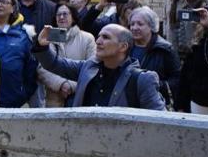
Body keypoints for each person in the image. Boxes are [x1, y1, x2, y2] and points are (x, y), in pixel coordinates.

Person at [32, 23, 166, 110]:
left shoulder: (142, 80)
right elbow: (55, 64)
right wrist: (43, 47)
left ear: (123, 46)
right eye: (99, 36)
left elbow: (160, 121)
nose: (98, 41)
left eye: (106, 37)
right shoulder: (88, 67)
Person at [36, 4, 96, 107]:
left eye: (65, 14)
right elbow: (42, 68)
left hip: (80, 97)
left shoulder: (87, 38)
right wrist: (61, 84)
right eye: (58, 14)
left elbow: (92, 67)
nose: (61, 17)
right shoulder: (48, 37)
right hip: (54, 99)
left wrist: (71, 86)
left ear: (73, 17)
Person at [126, 6, 181, 106]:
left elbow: (177, 79)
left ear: (151, 26)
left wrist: (155, 84)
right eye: (132, 24)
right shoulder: (125, 47)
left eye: (140, 24)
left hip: (155, 101)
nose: (134, 28)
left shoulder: (165, 49)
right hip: (129, 101)